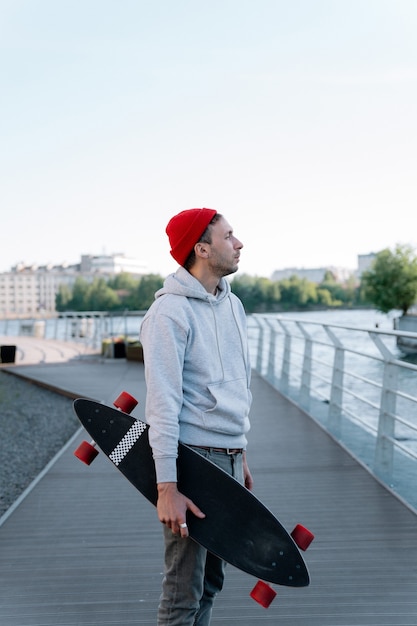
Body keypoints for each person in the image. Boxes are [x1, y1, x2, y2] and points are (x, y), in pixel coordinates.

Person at [139, 208, 253, 626]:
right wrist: (166, 485)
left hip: (227, 459)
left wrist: (240, 454)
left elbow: (239, 384)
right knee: (183, 590)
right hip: (192, 462)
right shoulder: (169, 314)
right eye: (229, 236)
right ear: (202, 249)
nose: (239, 243)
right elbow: (162, 403)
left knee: (210, 582)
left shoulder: (233, 305)